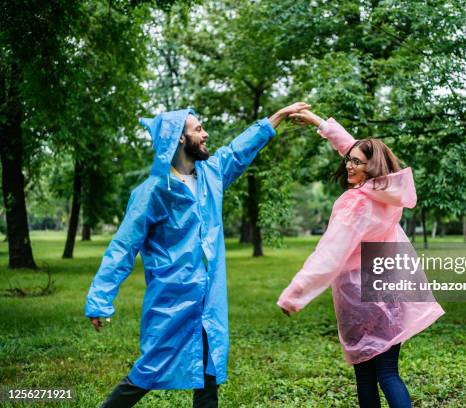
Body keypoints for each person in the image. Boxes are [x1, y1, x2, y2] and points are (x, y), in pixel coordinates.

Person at [85, 102, 310, 408]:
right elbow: (123, 247)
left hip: (208, 299)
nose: (205, 134)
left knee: (209, 372)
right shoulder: (153, 190)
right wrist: (100, 298)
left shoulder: (211, 175)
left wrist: (277, 118)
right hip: (172, 299)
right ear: (179, 138)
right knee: (148, 370)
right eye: (198, 129)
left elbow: (237, 150)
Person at [278, 110, 445, 408]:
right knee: (386, 372)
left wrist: (294, 294)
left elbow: (330, 253)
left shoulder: (355, 202)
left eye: (356, 162)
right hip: (391, 287)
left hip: (360, 294)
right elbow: (356, 149)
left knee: (374, 375)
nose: (348, 164)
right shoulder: (385, 191)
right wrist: (319, 122)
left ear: (371, 167)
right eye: (349, 159)